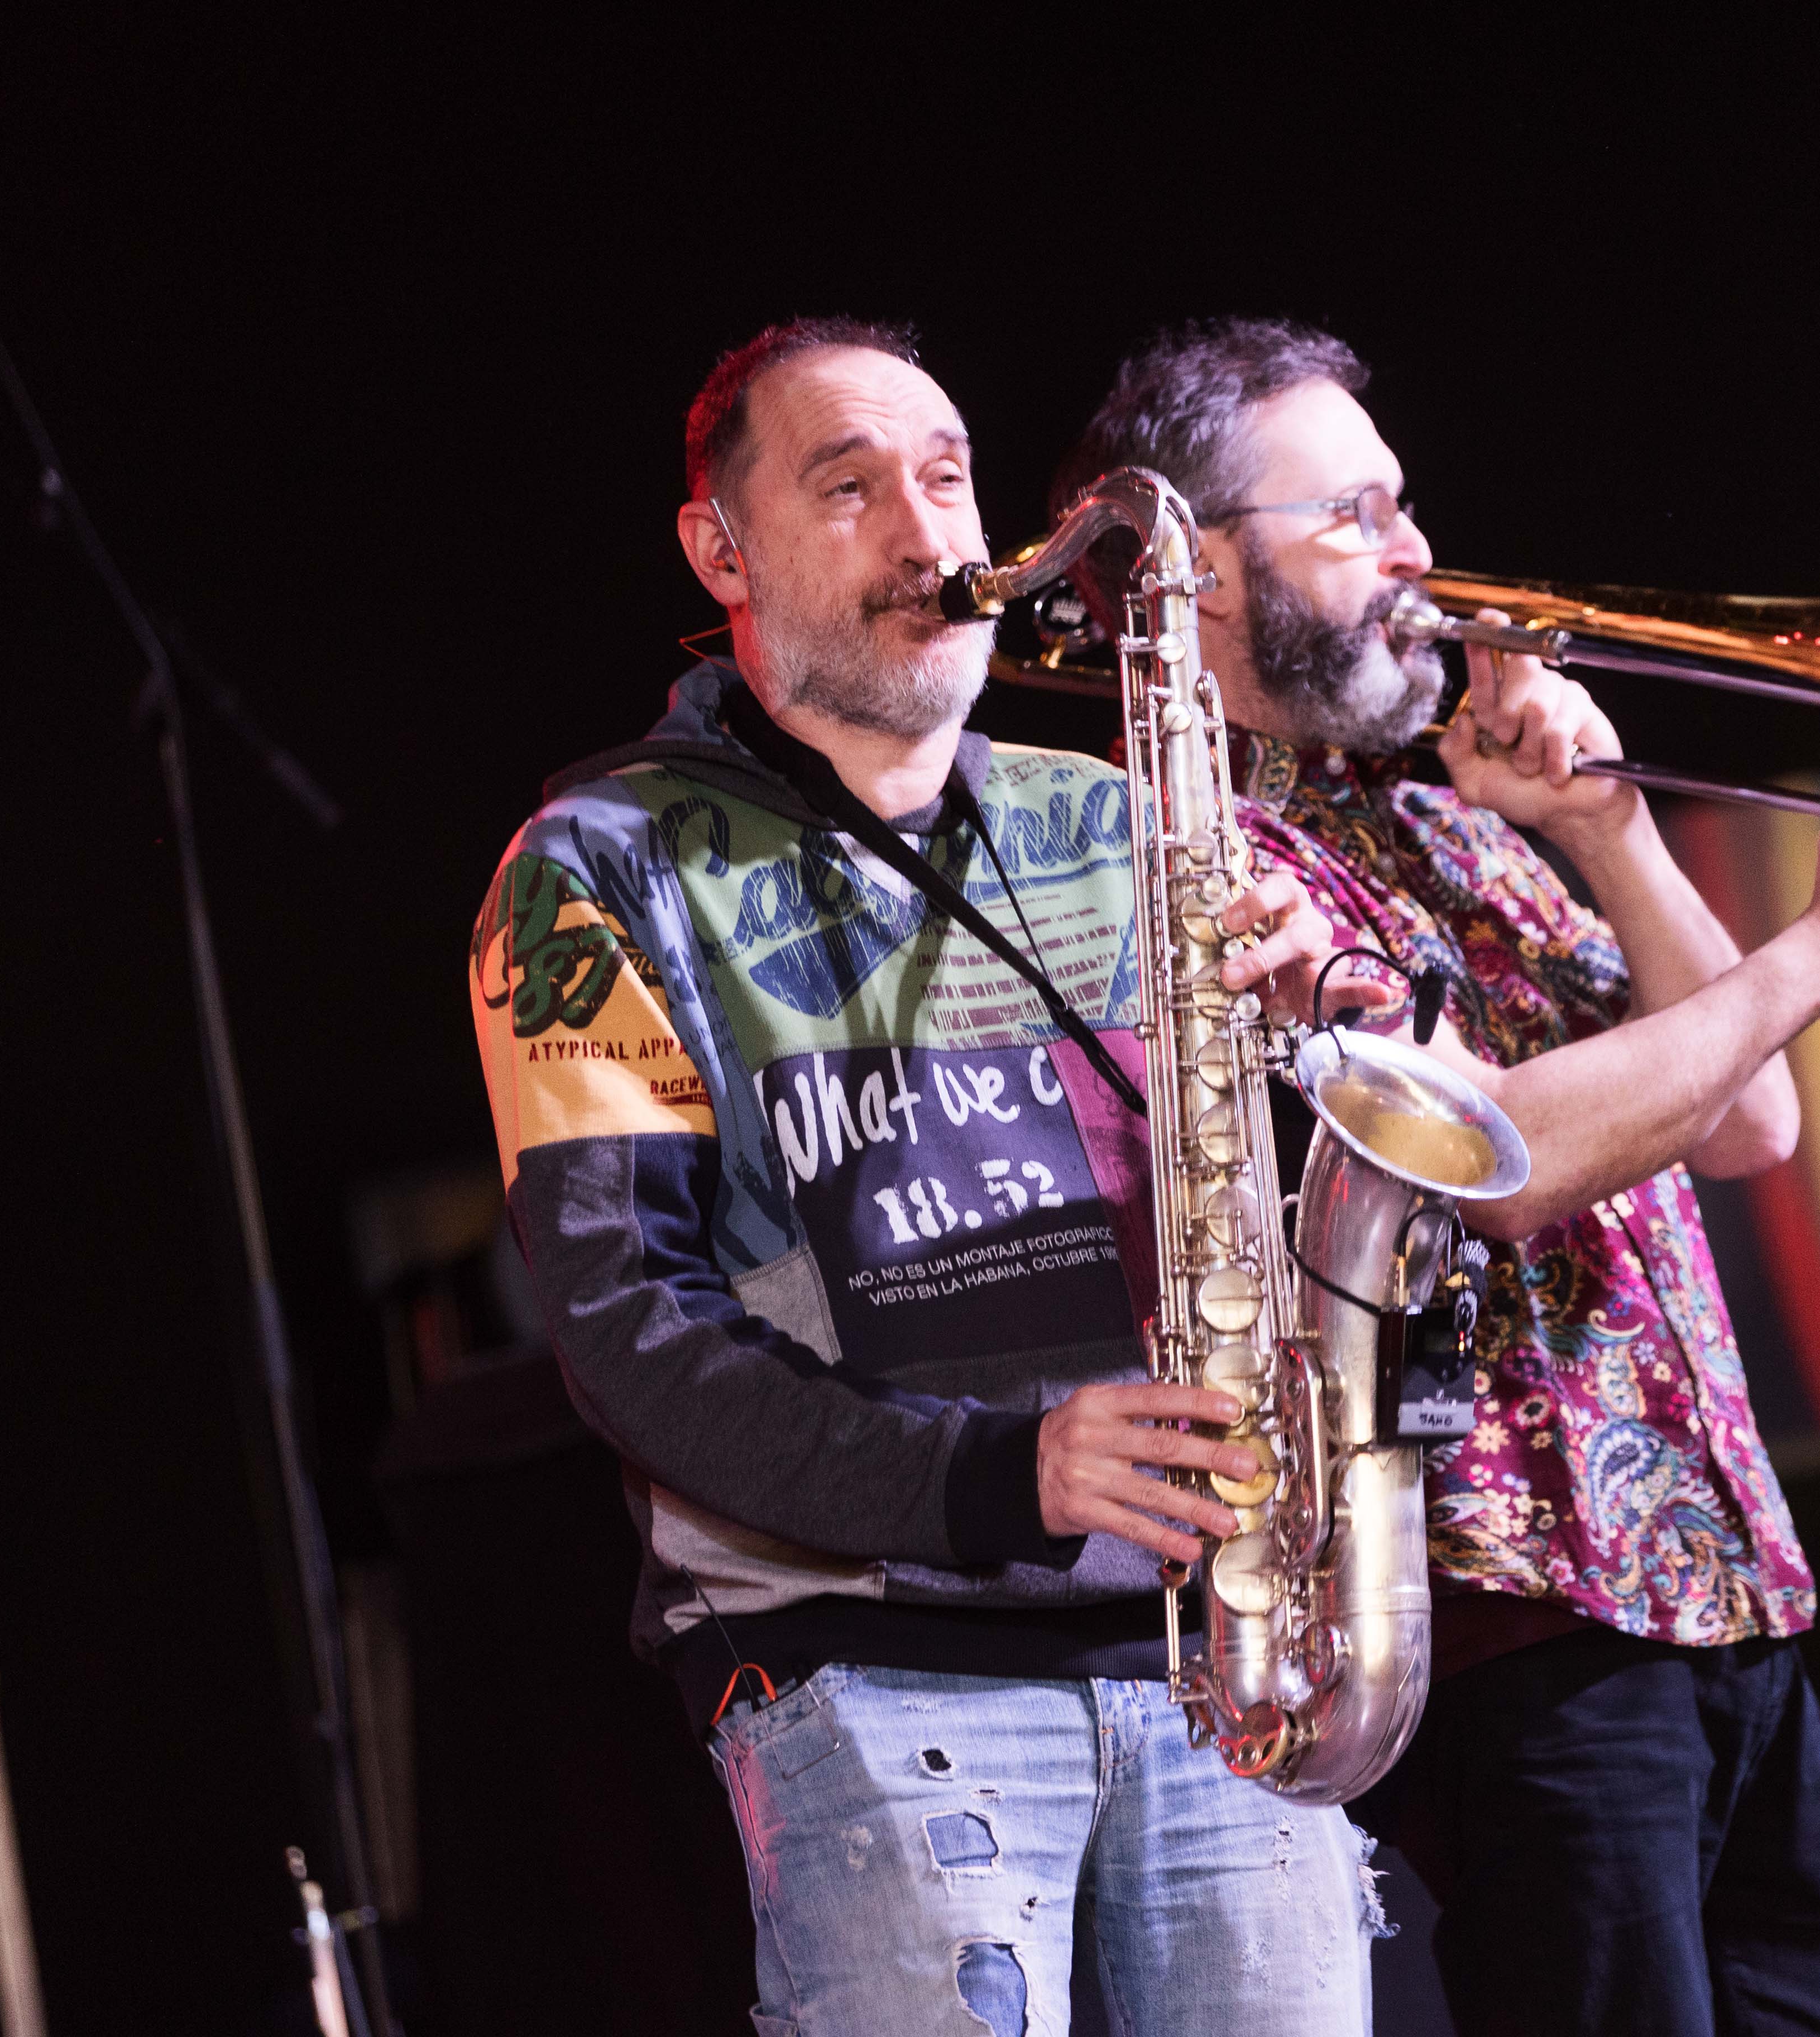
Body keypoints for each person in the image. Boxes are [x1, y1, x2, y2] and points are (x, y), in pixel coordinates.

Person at [1057, 318, 1820, 2036]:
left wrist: (1606, 830)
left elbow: (1749, 1127)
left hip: (1717, 1589)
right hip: (1522, 1626)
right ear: (1197, 571)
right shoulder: (1193, 859)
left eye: (1405, 504)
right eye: (1354, 518)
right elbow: (1494, 1164)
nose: (1420, 557)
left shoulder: (1447, 824)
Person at [468, 317, 1383, 2037]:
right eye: (850, 484)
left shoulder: (1117, 820)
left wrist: (1330, 1021)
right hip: (875, 1684)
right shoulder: (595, 868)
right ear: (720, 550)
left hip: (1223, 1664)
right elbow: (630, 1339)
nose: (926, 529)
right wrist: (996, 1476)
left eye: (949, 479)